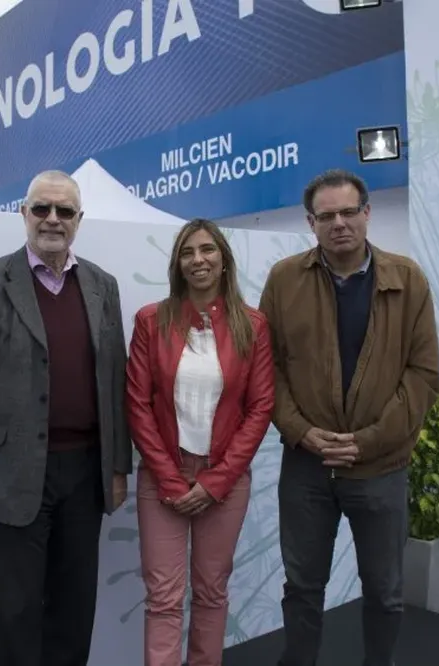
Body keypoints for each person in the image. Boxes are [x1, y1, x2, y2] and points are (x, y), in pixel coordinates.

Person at [0, 170, 132, 666]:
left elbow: (115, 381)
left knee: (74, 611)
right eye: (42, 209)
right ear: (23, 213)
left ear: (79, 221)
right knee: (15, 613)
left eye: (64, 211)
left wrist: (117, 467)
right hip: (11, 477)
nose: (53, 220)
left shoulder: (102, 285)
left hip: (85, 474)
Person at [258, 169, 439, 666]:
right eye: (326, 216)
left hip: (380, 468)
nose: (339, 224)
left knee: (385, 592)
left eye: (347, 212)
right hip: (306, 468)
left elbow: (423, 376)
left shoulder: (408, 279)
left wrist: (368, 441)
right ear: (310, 223)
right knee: (302, 588)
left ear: (367, 214)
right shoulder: (283, 279)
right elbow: (265, 367)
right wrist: (301, 432)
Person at [125, 218, 275, 666]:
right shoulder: (151, 321)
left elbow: (260, 407)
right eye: (187, 253)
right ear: (177, 264)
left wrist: (215, 481)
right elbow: (137, 405)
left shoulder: (253, 325)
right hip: (163, 479)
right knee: (164, 598)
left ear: (224, 260)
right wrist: (171, 481)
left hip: (223, 481)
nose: (198, 260)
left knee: (211, 592)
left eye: (207, 250)